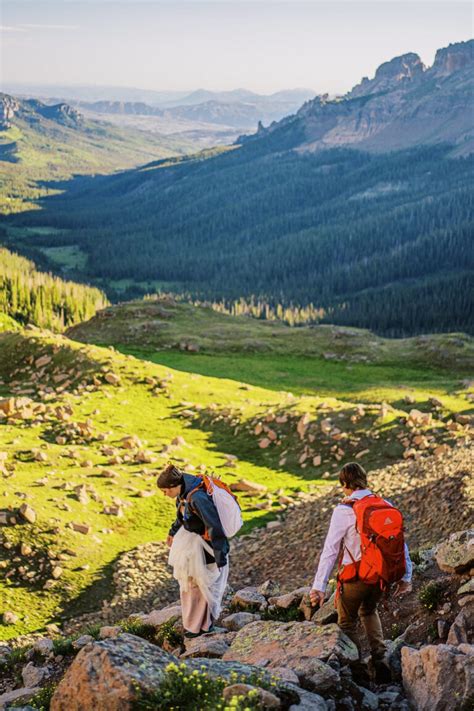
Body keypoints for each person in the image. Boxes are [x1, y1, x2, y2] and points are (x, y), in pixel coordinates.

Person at [310, 462, 412, 680]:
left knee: (347, 621)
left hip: (355, 578)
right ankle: (381, 660)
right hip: (380, 576)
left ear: (345, 484)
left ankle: (360, 673)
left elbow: (330, 550)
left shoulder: (344, 510)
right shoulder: (384, 504)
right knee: (369, 611)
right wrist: (406, 576)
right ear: (364, 480)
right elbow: (400, 544)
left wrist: (318, 586)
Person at [157, 463, 230, 638]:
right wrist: (172, 532)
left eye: (165, 490)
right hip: (192, 544)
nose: (164, 494)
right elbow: (182, 517)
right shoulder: (184, 495)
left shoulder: (197, 497)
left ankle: (202, 627)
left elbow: (214, 525)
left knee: (203, 585)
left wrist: (221, 554)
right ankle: (195, 626)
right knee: (193, 584)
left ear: (174, 486)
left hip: (206, 546)